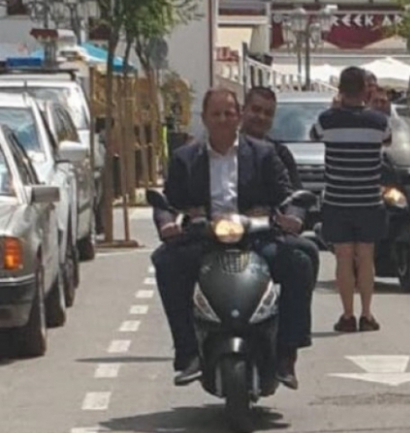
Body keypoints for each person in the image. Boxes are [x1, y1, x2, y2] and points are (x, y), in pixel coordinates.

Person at [151, 88, 314, 390]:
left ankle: (285, 354)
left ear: (238, 116)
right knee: (166, 262)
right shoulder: (185, 158)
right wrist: (168, 223)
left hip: (255, 236)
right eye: (216, 114)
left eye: (229, 113)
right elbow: (167, 203)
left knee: (300, 259)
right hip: (204, 237)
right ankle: (188, 353)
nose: (223, 120)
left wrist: (292, 217)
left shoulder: (264, 154)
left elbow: (289, 195)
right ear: (204, 118)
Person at [312, 67, 392, 333]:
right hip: (368, 199)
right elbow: (388, 141)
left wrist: (334, 108)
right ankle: (367, 314)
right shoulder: (378, 121)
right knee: (366, 257)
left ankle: (347, 315)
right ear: (365, 90)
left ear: (340, 90)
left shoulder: (327, 120)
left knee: (343, 258)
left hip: (338, 200)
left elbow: (314, 135)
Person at [240, 85, 321, 286]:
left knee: (305, 255)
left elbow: (295, 193)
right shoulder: (219, 149)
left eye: (268, 113)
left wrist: (293, 218)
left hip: (265, 233)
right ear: (243, 110)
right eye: (256, 110)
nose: (261, 117)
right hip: (220, 234)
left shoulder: (279, 153)